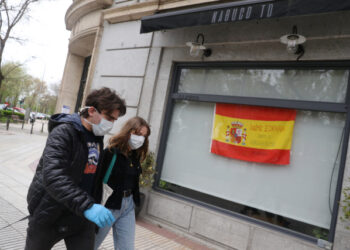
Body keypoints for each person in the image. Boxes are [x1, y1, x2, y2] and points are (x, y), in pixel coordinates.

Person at [25, 87, 126, 250]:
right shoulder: (64, 132)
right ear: (92, 111)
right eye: (109, 117)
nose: (112, 124)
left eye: (115, 120)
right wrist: (88, 206)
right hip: (49, 213)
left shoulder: (96, 135)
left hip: (80, 216)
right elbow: (53, 176)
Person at [94, 116, 151, 250]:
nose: (140, 138)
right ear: (129, 131)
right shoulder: (110, 153)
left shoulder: (135, 156)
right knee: (91, 244)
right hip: (108, 206)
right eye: (138, 133)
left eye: (144, 136)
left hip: (128, 206)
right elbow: (96, 181)